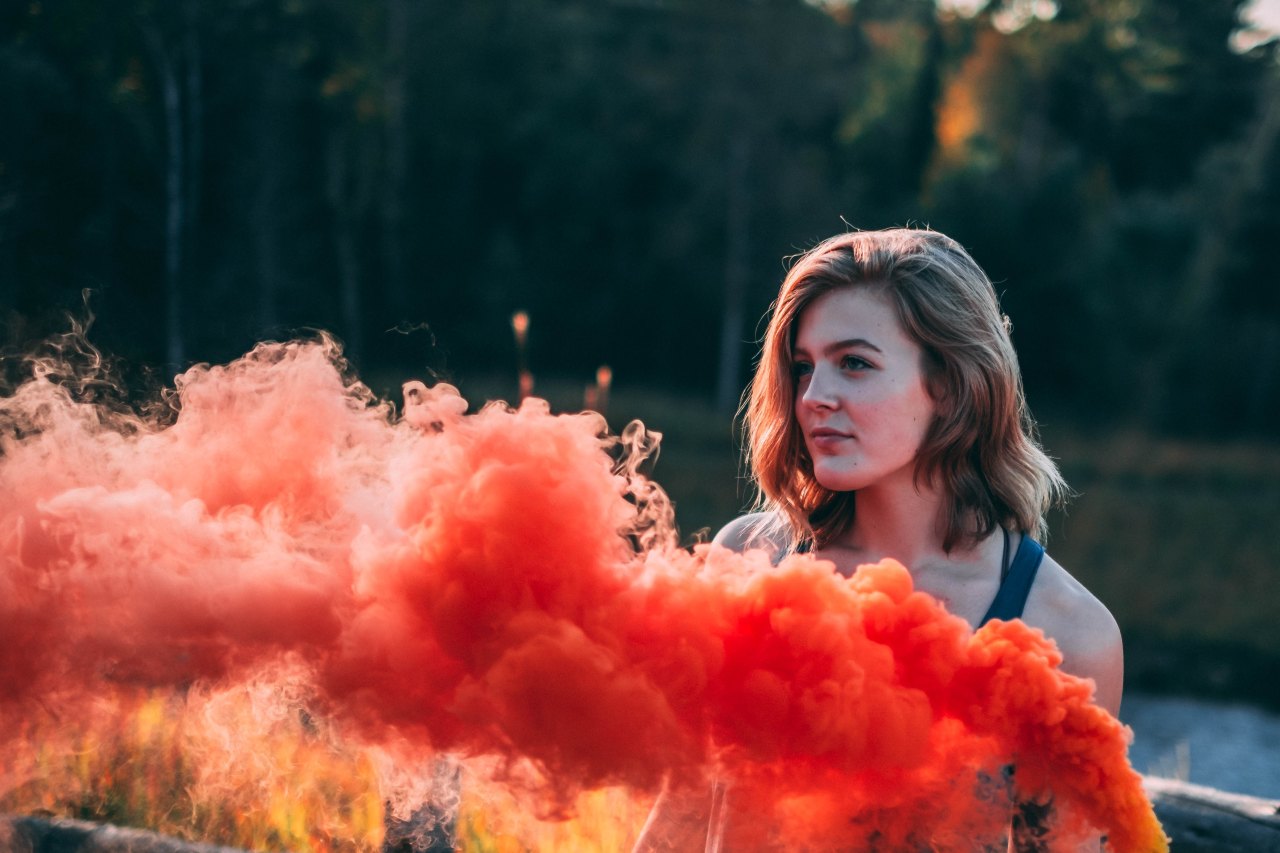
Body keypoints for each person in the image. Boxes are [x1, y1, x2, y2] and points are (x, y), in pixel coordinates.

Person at [633, 228, 1122, 852]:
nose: (814, 397)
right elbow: (676, 825)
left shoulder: (1067, 635)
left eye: (855, 363)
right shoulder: (750, 561)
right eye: (803, 367)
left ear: (948, 383)